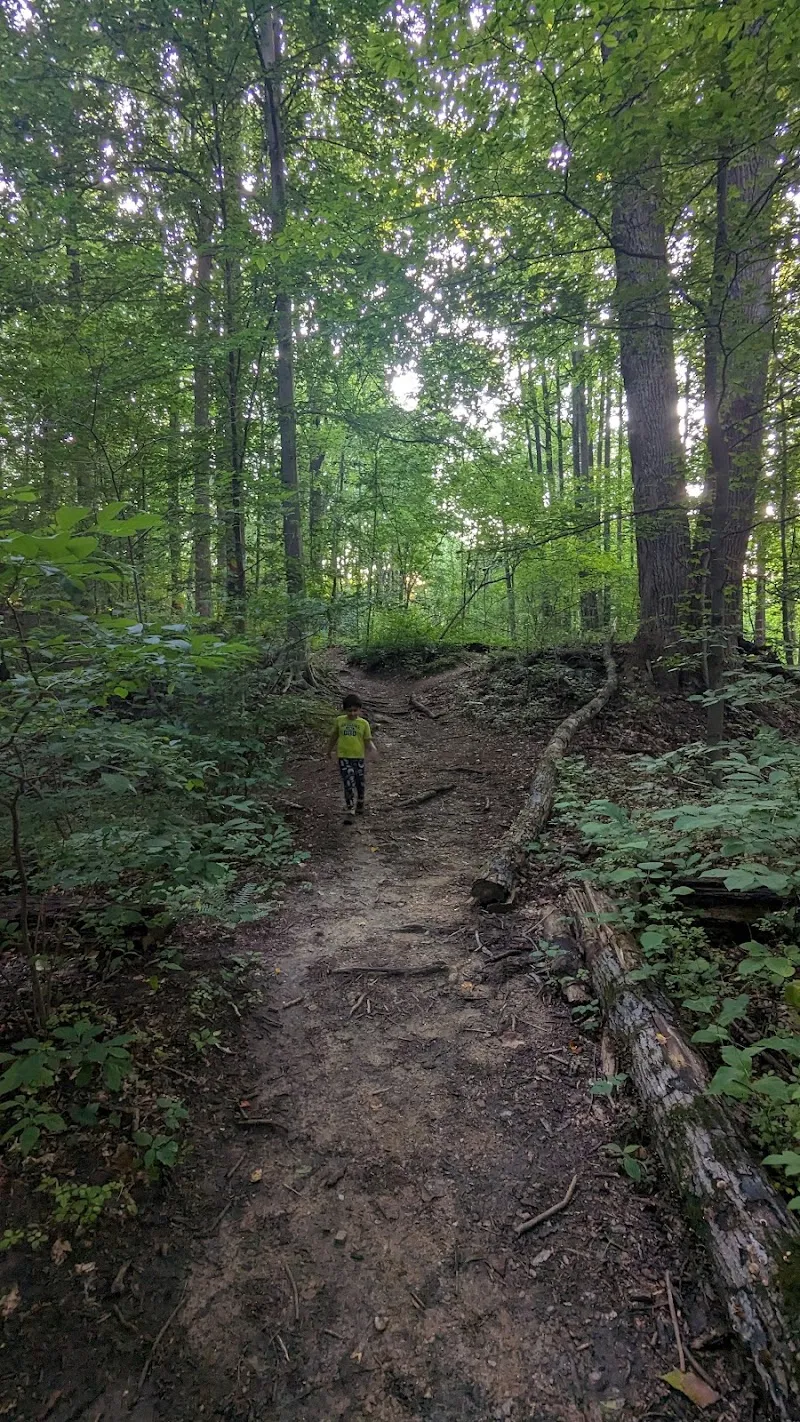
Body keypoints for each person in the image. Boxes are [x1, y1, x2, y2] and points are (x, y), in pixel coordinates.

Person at [327, 693, 377, 821]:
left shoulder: (363, 723)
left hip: (358, 757)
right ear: (345, 710)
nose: (352, 713)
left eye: (355, 710)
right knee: (348, 782)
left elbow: (367, 739)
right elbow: (334, 736)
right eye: (349, 710)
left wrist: (372, 748)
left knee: (359, 781)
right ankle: (350, 809)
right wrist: (328, 750)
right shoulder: (340, 721)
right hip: (344, 757)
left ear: (360, 710)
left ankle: (360, 800)